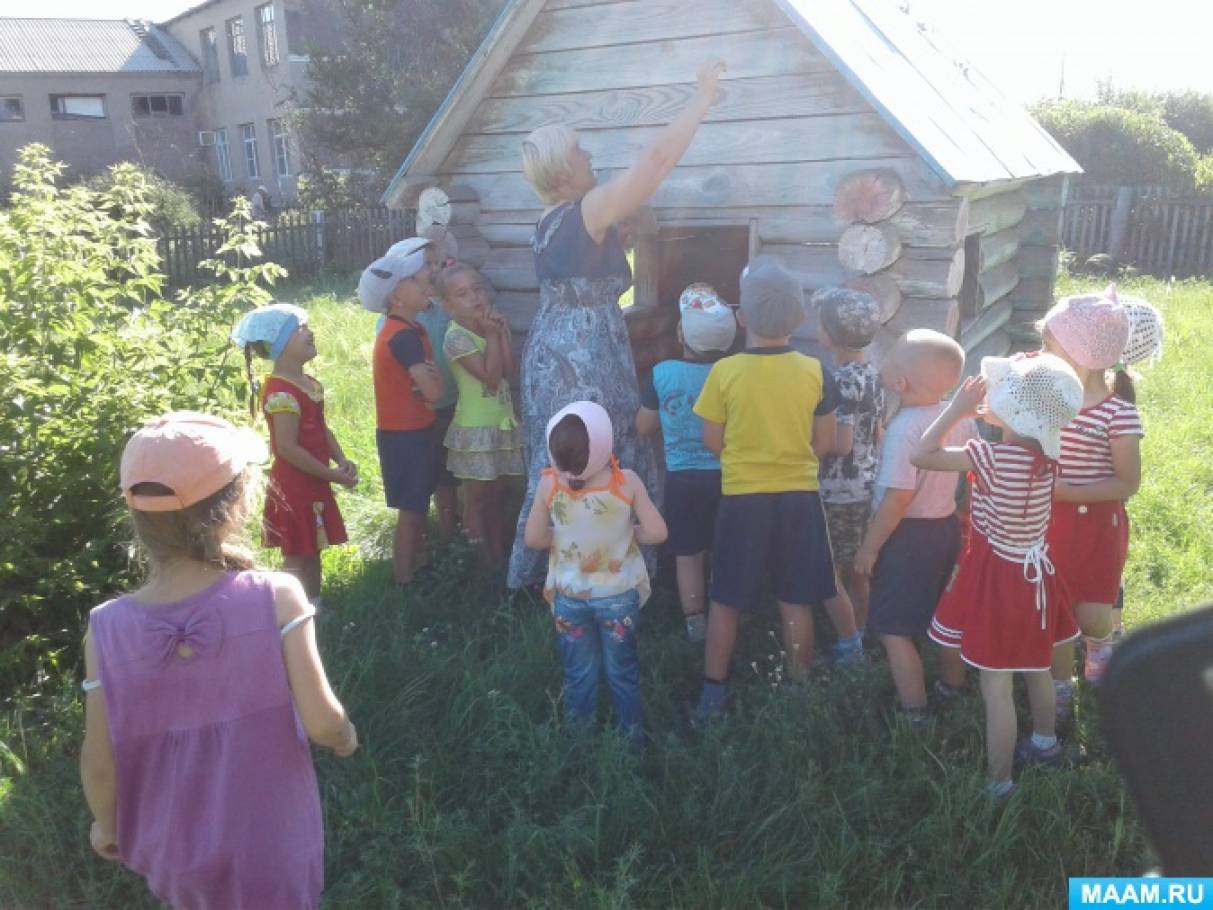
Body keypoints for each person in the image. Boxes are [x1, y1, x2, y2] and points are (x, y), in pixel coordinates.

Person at [80, 412, 357, 908]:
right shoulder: (276, 595)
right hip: (272, 845)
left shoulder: (106, 628)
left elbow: (99, 759)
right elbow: (322, 722)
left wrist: (106, 822)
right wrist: (344, 736)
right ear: (238, 503)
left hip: (175, 854)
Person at [507, 59, 726, 591]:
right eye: (579, 151)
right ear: (563, 171)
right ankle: (609, 574)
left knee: (563, 452)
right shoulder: (585, 209)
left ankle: (555, 570)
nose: (589, 156)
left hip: (552, 347)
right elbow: (655, 163)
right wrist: (701, 98)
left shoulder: (549, 220)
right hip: (584, 354)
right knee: (599, 446)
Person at [915, 355, 1083, 798]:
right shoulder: (1047, 455)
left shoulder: (990, 457)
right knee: (1036, 665)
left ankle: (999, 782)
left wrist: (955, 411)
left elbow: (921, 454)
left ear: (1013, 410)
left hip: (1000, 580)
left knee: (996, 685)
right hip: (1036, 574)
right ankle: (1045, 743)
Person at [692, 260, 841, 718]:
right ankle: (799, 689)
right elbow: (825, 442)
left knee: (726, 597)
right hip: (799, 498)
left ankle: (712, 694)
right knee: (796, 597)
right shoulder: (816, 371)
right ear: (800, 317)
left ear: (741, 318)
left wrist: (745, 460)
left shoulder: (725, 372)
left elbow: (711, 440)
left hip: (742, 499)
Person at [524, 401, 667, 744]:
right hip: (618, 598)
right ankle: (632, 743)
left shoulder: (549, 485)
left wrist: (562, 537)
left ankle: (580, 742)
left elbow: (534, 538)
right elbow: (658, 532)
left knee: (578, 673)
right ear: (604, 442)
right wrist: (629, 532)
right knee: (622, 672)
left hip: (569, 598)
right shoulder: (625, 482)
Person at [853, 330, 974, 723]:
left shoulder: (905, 429)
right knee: (943, 616)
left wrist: (870, 548)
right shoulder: (957, 420)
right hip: (945, 529)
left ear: (900, 382)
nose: (883, 363)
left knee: (893, 629)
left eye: (889, 359)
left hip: (907, 538)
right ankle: (953, 687)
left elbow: (897, 499)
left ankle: (915, 712)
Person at [1037, 289, 1140, 710]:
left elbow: (1127, 483)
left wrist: (1068, 493)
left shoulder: (1118, 414)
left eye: (1049, 344)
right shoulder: (1048, 399)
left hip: (1097, 525)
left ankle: (1099, 644)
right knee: (1055, 603)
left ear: (1076, 353)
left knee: (1093, 613)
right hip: (1049, 521)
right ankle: (1059, 686)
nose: (1042, 352)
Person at [232, 303, 357, 602]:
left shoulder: (308, 383)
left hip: (314, 479)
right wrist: (330, 475)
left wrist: (340, 459)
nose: (309, 332)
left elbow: (321, 428)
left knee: (313, 546)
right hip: (294, 485)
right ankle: (286, 610)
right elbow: (287, 448)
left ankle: (313, 605)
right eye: (300, 329)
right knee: (297, 554)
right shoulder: (281, 393)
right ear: (279, 344)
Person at [635, 283, 736, 641]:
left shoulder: (663, 373)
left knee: (688, 553)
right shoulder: (734, 373)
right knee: (725, 548)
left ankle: (695, 622)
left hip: (683, 479)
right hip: (729, 477)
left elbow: (643, 426)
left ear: (681, 334)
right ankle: (728, 612)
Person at [359, 249, 445, 585]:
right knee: (411, 510)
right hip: (406, 435)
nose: (424, 280)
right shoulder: (404, 337)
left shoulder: (407, 329)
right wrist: (432, 380)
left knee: (418, 504)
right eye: (413, 279)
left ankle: (419, 565)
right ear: (396, 296)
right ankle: (404, 580)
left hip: (413, 429)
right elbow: (434, 392)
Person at [437, 263, 524, 570]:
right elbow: (490, 378)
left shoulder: (492, 326)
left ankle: (498, 554)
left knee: (498, 494)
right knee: (477, 498)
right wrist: (491, 334)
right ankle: (480, 563)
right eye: (462, 294)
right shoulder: (456, 338)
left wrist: (500, 334)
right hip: (475, 429)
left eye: (477, 289)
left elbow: (509, 372)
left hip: (502, 424)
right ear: (448, 306)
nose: (474, 297)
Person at [813, 287, 885, 650]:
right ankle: (864, 628)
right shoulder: (873, 374)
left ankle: (848, 641)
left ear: (829, 335)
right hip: (867, 482)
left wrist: (809, 446)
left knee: (829, 568)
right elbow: (878, 432)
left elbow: (839, 445)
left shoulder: (839, 380)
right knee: (859, 568)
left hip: (837, 491)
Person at [382, 235, 462, 542]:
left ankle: (447, 535)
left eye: (436, 263)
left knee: (447, 475)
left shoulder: (443, 309)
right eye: (426, 265)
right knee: (418, 487)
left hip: (450, 402)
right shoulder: (396, 323)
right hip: (415, 415)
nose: (433, 270)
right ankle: (423, 543)